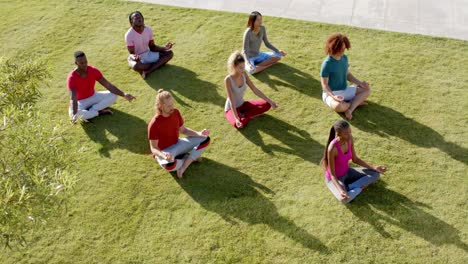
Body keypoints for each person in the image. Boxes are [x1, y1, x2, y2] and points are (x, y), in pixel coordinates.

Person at [148, 89, 210, 178]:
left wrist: (199, 133)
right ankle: (190, 158)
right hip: (165, 152)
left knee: (205, 138)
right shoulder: (154, 124)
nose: (172, 107)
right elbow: (153, 148)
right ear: (161, 106)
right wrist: (163, 155)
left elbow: (184, 130)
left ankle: (184, 166)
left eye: (172, 104)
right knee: (170, 166)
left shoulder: (175, 112)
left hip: (178, 143)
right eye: (169, 106)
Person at [320, 120, 387, 203]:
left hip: (348, 172)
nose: (349, 135)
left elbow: (355, 159)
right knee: (344, 199)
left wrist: (373, 167)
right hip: (335, 179)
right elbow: (333, 175)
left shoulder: (349, 139)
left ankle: (351, 187)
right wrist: (341, 191)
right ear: (338, 134)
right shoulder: (332, 149)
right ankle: (355, 188)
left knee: (375, 174)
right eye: (346, 133)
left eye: (350, 132)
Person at [67, 51, 135, 123]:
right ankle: (99, 113)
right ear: (76, 63)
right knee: (74, 115)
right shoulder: (72, 78)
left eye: (85, 61)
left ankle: (92, 110)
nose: (84, 64)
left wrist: (123, 94)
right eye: (81, 63)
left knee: (114, 95)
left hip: (94, 96)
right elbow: (73, 98)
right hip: (80, 101)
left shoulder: (93, 70)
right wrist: (74, 114)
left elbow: (108, 85)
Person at [320, 33, 370, 120]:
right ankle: (355, 103)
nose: (343, 51)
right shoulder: (327, 64)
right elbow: (324, 85)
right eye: (341, 49)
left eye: (344, 48)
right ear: (334, 48)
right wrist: (333, 96)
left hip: (344, 90)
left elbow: (347, 74)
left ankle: (349, 109)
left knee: (367, 89)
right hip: (331, 94)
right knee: (338, 107)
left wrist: (360, 83)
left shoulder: (344, 58)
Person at [224, 51, 278, 128]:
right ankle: (245, 116)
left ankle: (244, 115)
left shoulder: (244, 74)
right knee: (240, 124)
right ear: (234, 66)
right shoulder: (228, 80)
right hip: (231, 109)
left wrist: (270, 100)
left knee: (267, 104)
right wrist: (236, 118)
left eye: (243, 66)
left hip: (242, 105)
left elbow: (254, 89)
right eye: (240, 68)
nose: (243, 70)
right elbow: (232, 101)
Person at [125, 11, 174, 79]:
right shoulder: (129, 35)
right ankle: (158, 64)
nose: (139, 19)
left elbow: (152, 47)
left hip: (148, 54)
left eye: (140, 17)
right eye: (136, 18)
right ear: (131, 22)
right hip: (139, 58)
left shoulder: (148, 29)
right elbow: (132, 54)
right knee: (136, 66)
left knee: (169, 53)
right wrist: (136, 59)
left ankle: (148, 71)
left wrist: (165, 48)